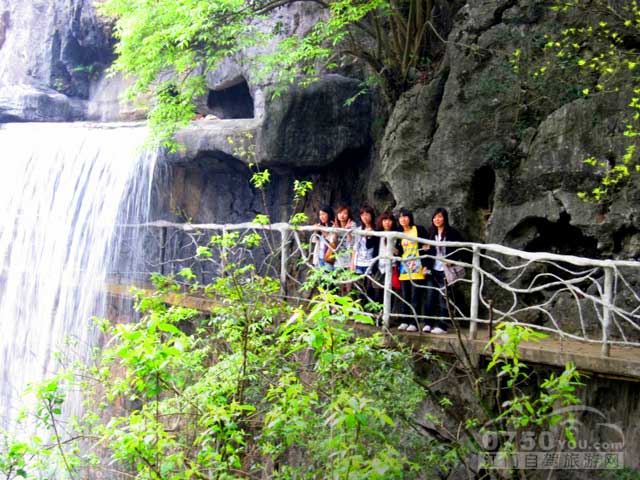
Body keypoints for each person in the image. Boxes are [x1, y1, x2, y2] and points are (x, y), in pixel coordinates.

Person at [423, 207, 465, 334]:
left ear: (445, 218)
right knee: (430, 296)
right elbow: (426, 251)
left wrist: (453, 260)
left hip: (446, 270)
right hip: (432, 269)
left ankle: (442, 325)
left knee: (444, 297)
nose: (437, 219)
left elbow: (462, 248)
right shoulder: (430, 232)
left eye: (440, 217)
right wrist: (425, 264)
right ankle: (427, 323)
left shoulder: (452, 233)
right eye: (435, 217)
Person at [396, 208, 429, 332]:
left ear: (410, 218)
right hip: (404, 268)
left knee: (416, 296)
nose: (403, 219)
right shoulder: (399, 233)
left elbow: (426, 248)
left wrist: (426, 265)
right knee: (405, 295)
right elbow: (399, 250)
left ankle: (414, 322)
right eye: (400, 217)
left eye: (405, 216)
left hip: (418, 266)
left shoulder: (418, 230)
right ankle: (405, 320)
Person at [351, 204, 376, 303]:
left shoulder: (376, 229)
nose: (365, 217)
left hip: (370, 262)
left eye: (367, 214)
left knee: (369, 288)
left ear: (371, 215)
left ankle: (369, 312)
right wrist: (352, 262)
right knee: (359, 287)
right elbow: (355, 247)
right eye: (362, 215)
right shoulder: (358, 229)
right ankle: (360, 310)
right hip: (359, 262)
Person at [333, 205, 356, 295]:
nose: (342, 215)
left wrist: (348, 231)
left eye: (345, 213)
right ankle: (339, 304)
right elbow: (333, 242)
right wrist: (335, 231)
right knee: (339, 284)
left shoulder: (352, 224)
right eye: (340, 213)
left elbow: (352, 243)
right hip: (338, 258)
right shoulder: (335, 225)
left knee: (348, 284)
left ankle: (349, 303)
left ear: (348, 215)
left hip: (349, 258)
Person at [311, 205, 336, 269]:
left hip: (329, 257)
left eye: (323, 214)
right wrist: (316, 231)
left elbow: (332, 241)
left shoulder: (334, 226)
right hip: (319, 257)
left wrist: (322, 230)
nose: (321, 217)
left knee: (328, 277)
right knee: (318, 277)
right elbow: (314, 240)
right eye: (320, 215)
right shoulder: (320, 225)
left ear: (329, 214)